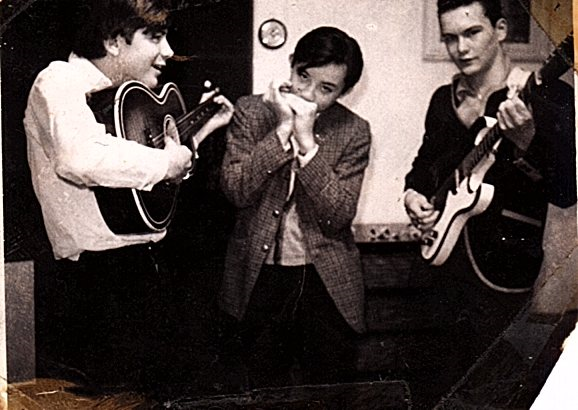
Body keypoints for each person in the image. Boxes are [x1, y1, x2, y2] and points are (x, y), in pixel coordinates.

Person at [23, 0, 233, 387]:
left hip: (145, 269)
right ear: (114, 41)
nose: (168, 51)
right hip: (97, 283)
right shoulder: (59, 81)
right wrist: (167, 164)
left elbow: (140, 172)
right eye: (155, 37)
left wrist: (196, 138)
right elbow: (80, 157)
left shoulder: (125, 96)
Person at [403, 0, 576, 385]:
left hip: (502, 270)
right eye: (450, 38)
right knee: (434, 382)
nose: (461, 48)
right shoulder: (443, 100)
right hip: (437, 270)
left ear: (500, 29)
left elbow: (567, 191)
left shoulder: (549, 96)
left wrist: (527, 140)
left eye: (472, 33)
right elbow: (423, 167)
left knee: (491, 387)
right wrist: (413, 194)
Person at [218, 26, 371, 388]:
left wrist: (307, 142)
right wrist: (282, 131)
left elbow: (339, 215)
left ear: (344, 92)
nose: (308, 93)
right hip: (258, 278)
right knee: (260, 390)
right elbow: (235, 191)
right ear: (291, 63)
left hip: (324, 282)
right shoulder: (250, 111)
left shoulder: (354, 130)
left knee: (327, 393)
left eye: (326, 89)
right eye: (303, 76)